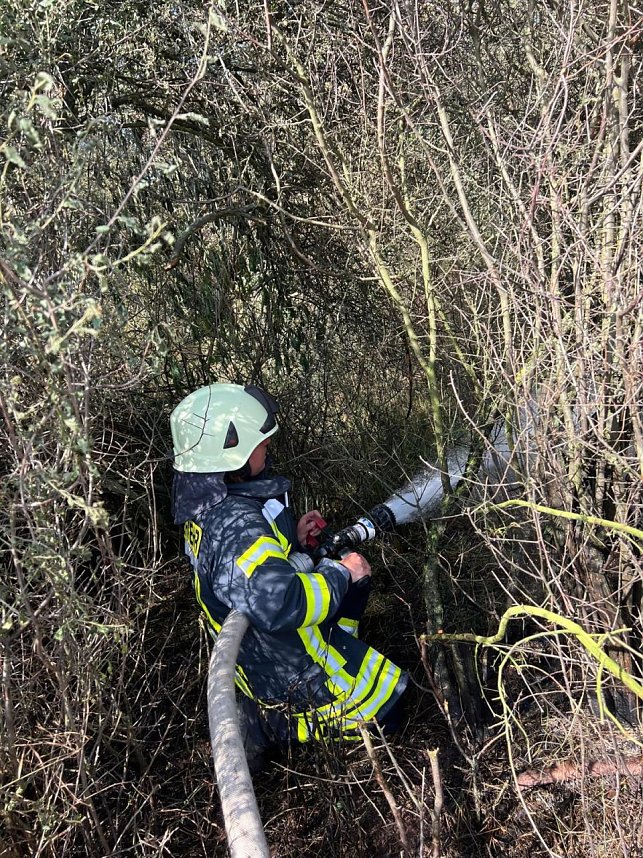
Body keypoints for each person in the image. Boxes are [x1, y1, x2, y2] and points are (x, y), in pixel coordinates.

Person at [170, 382, 407, 767]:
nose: (267, 448)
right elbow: (278, 602)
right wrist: (338, 573)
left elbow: (250, 572)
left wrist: (294, 541)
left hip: (267, 658)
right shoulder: (235, 524)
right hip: (287, 672)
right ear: (231, 453)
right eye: (260, 443)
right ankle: (288, 729)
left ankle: (324, 665)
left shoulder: (216, 506)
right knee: (393, 702)